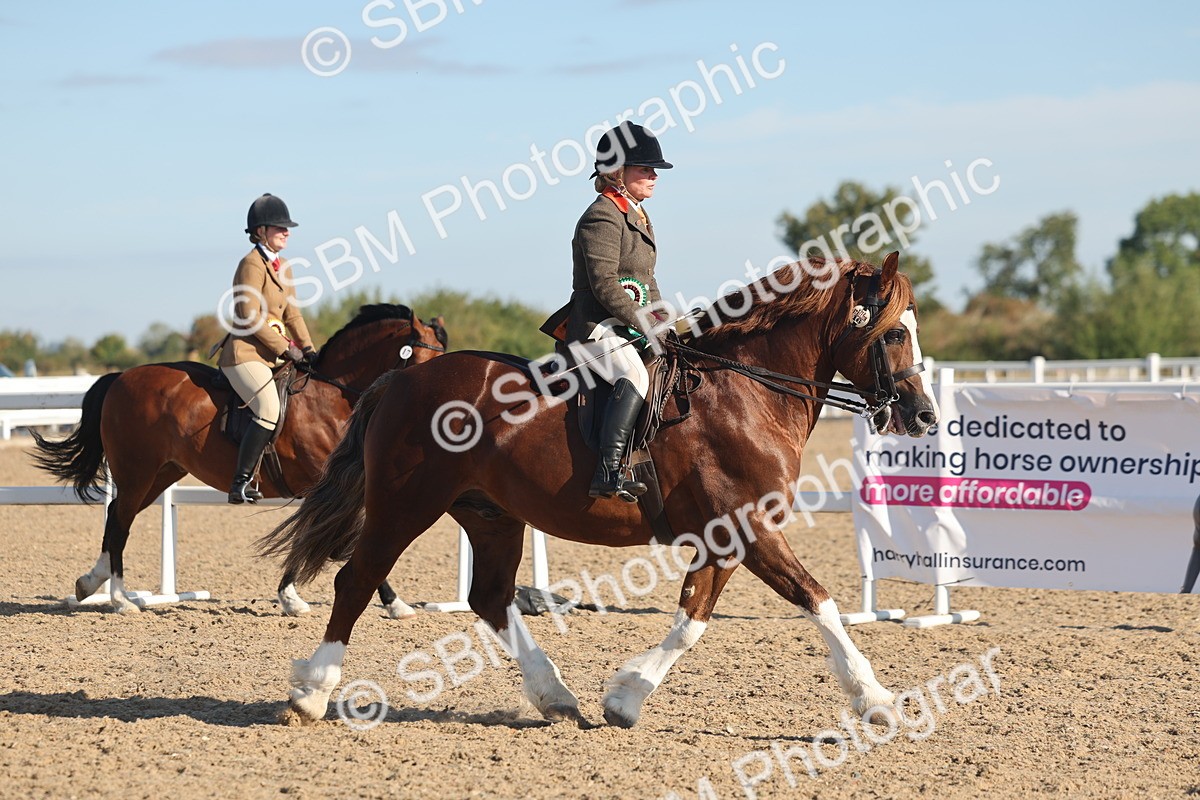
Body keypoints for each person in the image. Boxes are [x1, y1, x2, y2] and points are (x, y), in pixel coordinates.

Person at [540, 122, 673, 502]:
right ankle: (608, 471)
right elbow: (605, 285)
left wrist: (663, 323)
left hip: (625, 326)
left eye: (654, 170)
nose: (653, 176)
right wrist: (644, 323)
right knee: (634, 374)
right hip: (596, 327)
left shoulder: (637, 215)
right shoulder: (602, 216)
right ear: (617, 172)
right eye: (645, 169)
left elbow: (645, 281)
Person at [216, 193, 317, 504]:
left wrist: (309, 349)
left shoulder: (283, 265)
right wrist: (287, 348)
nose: (287, 232)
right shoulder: (251, 264)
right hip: (246, 354)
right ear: (261, 231)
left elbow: (292, 314)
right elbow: (248, 315)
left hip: (272, 354)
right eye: (279, 228)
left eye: (287, 228)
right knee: (269, 409)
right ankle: (240, 482)